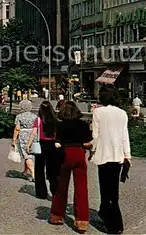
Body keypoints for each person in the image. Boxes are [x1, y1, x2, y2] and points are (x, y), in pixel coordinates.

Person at [89, 85, 131, 234]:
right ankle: (109, 216)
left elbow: (95, 135)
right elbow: (125, 136)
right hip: (118, 155)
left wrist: (92, 151)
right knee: (113, 189)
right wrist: (127, 155)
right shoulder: (122, 113)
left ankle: (112, 223)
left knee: (105, 189)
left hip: (103, 154)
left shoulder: (98, 112)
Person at [49, 101, 92, 233]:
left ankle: (57, 214)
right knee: (81, 186)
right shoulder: (83, 125)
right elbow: (88, 142)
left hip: (65, 154)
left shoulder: (60, 125)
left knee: (62, 186)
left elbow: (57, 142)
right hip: (79, 152)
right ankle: (82, 220)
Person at [27, 101, 62, 200]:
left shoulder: (38, 120)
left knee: (39, 169)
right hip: (53, 145)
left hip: (40, 145)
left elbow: (34, 133)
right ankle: (55, 192)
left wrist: (28, 144)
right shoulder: (55, 120)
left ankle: (41, 193)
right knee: (52, 171)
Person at [11, 100, 37, 181]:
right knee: (29, 155)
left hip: (23, 136)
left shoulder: (19, 116)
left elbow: (17, 129)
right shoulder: (35, 116)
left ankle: (34, 174)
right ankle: (25, 172)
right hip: (33, 135)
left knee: (27, 156)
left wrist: (14, 140)